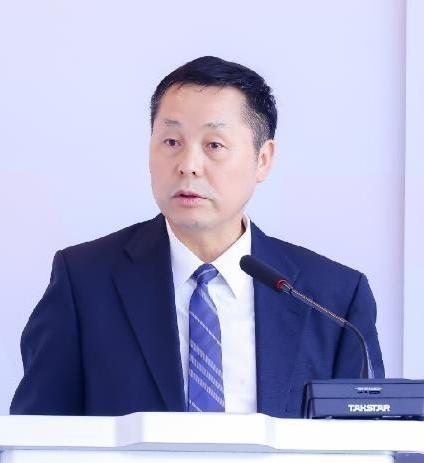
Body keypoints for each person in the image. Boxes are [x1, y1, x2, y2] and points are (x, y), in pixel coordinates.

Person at [10, 56, 384, 418]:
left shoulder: (332, 300)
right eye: (172, 142)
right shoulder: (84, 281)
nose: (188, 165)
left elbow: (371, 441)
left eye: (213, 145)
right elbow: (38, 435)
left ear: (262, 159)